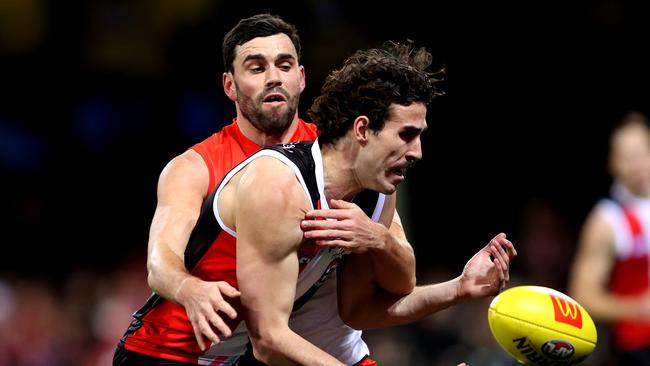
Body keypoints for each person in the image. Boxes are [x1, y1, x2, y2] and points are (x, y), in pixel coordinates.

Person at [114, 14, 418, 365]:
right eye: (256, 68)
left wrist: (380, 241)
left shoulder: (339, 158)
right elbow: (160, 263)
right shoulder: (194, 168)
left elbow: (398, 263)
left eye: (284, 65)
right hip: (166, 352)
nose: (274, 77)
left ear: (301, 78)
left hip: (258, 352)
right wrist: (190, 289)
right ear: (229, 85)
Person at [568, 111, 650, 365]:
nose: (636, 163)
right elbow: (582, 295)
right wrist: (639, 308)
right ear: (612, 163)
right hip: (639, 351)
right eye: (627, 157)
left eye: (640, 153)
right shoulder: (607, 220)